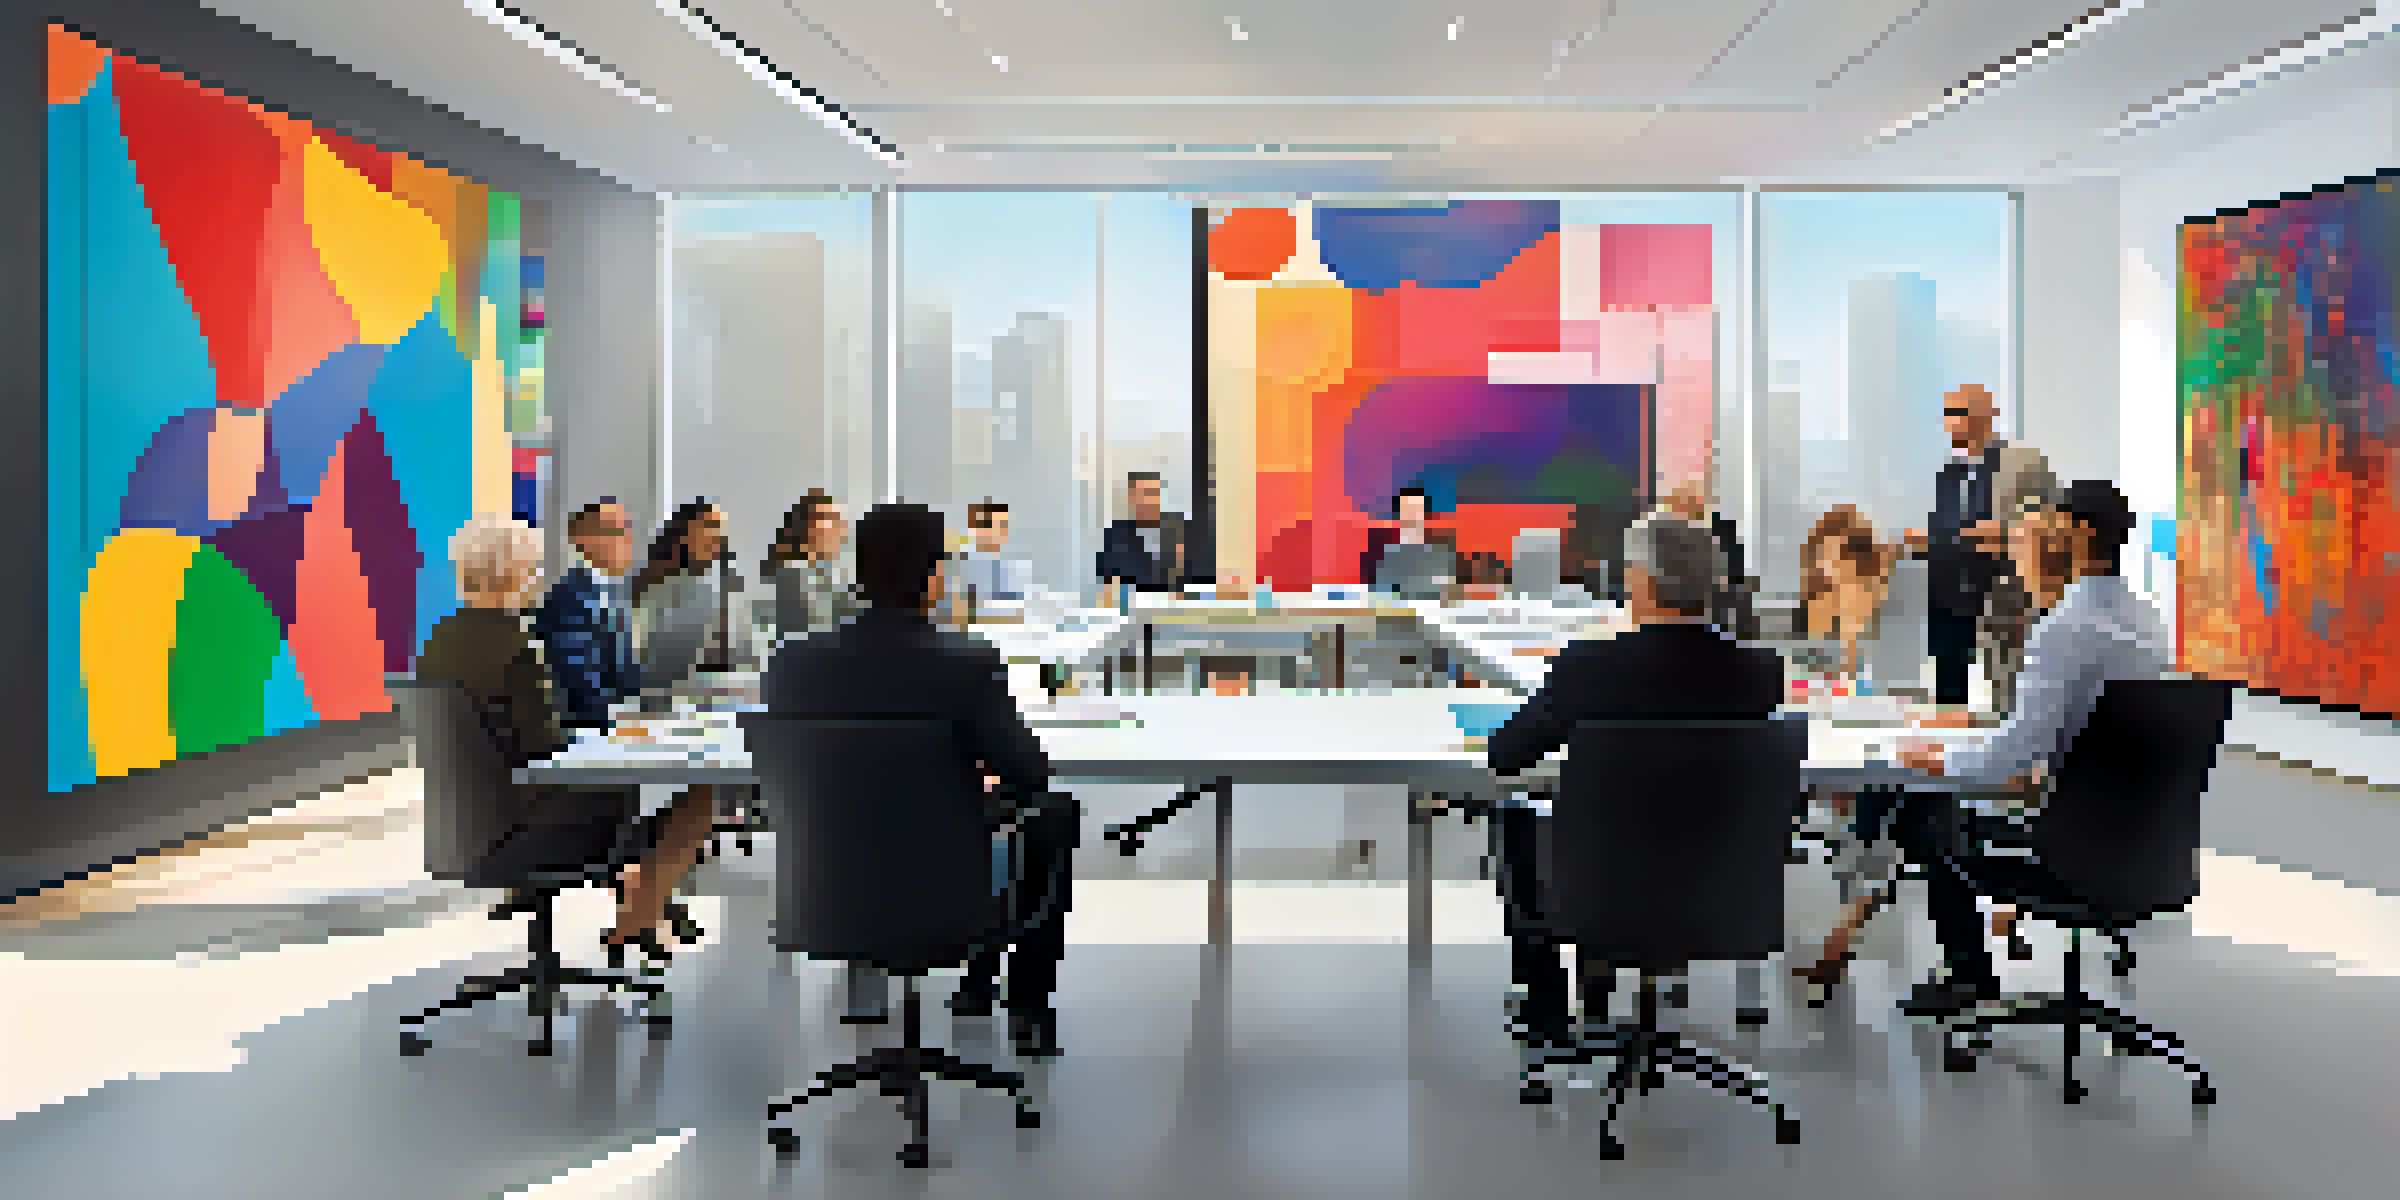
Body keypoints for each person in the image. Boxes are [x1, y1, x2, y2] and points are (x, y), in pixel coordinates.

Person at [764, 502, 1076, 1058]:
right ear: (933, 577)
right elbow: (1030, 772)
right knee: (1052, 815)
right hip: (948, 894)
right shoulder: (966, 664)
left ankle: (940, 984)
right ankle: (1022, 1006)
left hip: (825, 891)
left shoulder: (793, 664)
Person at [1485, 514, 1787, 1045]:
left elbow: (1506, 754)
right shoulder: (1759, 673)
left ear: (1642, 581)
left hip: (1598, 892)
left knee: (1515, 820)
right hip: (1721, 890)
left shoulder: (1592, 665)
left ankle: (1550, 1012)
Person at [1876, 481, 2164, 1019]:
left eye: (2055, 522)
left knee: (1921, 812)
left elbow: (2019, 749)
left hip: (2069, 838)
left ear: (2078, 532)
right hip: (2139, 836)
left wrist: (1940, 760)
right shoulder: (2149, 623)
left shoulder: (2066, 628)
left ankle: (1969, 976)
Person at [1795, 496, 2080, 994]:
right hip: (2082, 797)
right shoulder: (2058, 621)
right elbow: (2012, 711)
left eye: (2014, 549)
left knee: (1917, 809)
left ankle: (1945, 965)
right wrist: (1958, 723)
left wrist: (1945, 747)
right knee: (1907, 799)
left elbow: (2017, 735)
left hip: (2046, 789)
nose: (2005, 562)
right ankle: (1891, 943)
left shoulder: (2054, 634)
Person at [415, 515, 642, 934]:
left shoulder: (437, 639)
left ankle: (637, 915)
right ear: (513, 574)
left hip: (459, 828)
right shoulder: (519, 645)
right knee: (635, 792)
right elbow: (545, 747)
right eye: (534, 566)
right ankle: (639, 917)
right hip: (514, 828)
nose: (539, 576)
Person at [609, 499, 752, 963]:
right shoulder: (655, 586)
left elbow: (693, 657)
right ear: (683, 534)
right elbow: (647, 660)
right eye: (708, 526)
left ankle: (650, 905)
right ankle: (643, 910)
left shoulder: (709, 586)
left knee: (697, 790)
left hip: (675, 705)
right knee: (690, 795)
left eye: (721, 528)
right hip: (642, 711)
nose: (717, 536)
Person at [1900, 384, 2056, 708]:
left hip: (2003, 603)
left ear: (1989, 415)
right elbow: (1956, 533)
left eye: (1962, 413)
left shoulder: (2023, 464)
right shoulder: (1949, 471)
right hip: (1949, 604)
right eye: (1948, 414)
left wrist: (2008, 533)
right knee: (1949, 702)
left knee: (2007, 701)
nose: (1954, 423)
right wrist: (1928, 543)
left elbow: (2049, 527)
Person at [532, 498, 644, 731]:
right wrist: (623, 725)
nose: (628, 541)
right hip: (586, 734)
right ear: (585, 540)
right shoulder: (567, 598)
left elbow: (627, 677)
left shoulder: (615, 593)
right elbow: (580, 688)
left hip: (618, 726)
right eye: (617, 531)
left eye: (628, 530)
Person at [1801, 505, 1900, 680]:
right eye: (1823, 555)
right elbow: (1807, 669)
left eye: (1837, 555)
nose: (1826, 565)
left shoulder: (1888, 605)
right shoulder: (1818, 606)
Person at [758, 489, 858, 641]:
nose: (842, 530)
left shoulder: (823, 573)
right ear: (809, 526)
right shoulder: (790, 578)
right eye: (834, 521)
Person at [1095, 471, 1189, 607]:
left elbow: (1188, 583)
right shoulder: (1116, 535)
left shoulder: (1179, 530)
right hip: (1132, 612)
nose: (1148, 500)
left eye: (1153, 493)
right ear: (1131, 498)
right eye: (1143, 493)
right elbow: (1107, 588)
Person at [955, 499, 1035, 606]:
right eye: (994, 525)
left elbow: (1021, 597)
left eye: (1003, 525)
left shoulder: (1011, 565)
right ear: (974, 528)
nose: (1002, 532)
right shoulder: (960, 565)